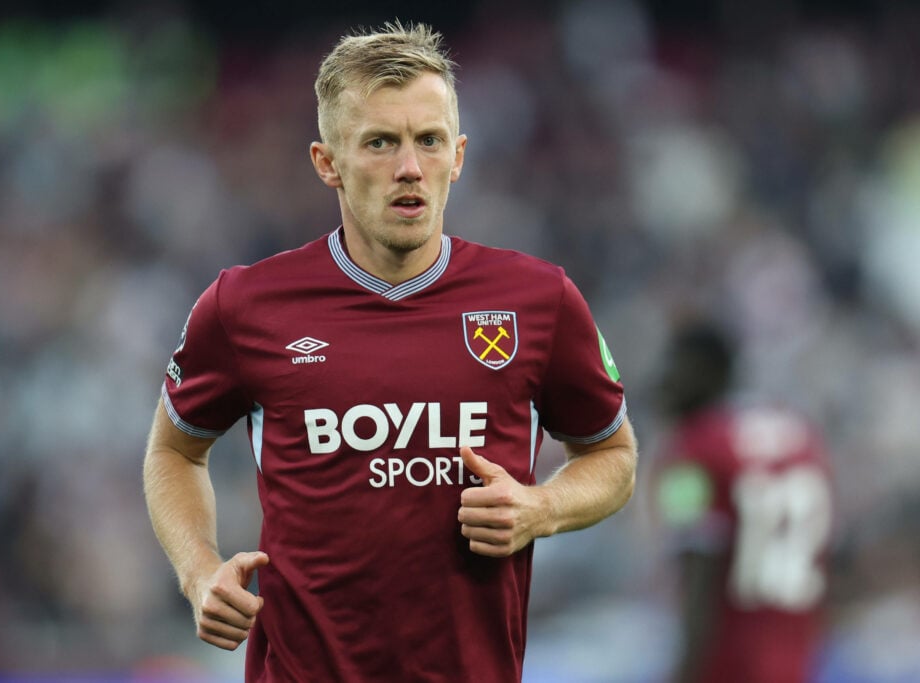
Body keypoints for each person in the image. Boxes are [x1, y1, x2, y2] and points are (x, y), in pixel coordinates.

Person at [142, 21, 638, 683]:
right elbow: (173, 450)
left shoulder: (538, 300)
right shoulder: (244, 305)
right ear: (328, 162)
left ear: (458, 156)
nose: (409, 167)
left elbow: (614, 454)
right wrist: (199, 570)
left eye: (428, 141)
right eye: (380, 142)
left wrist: (541, 507)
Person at [652, 319, 834, 683]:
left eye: (674, 366)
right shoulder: (800, 434)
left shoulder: (690, 449)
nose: (662, 381)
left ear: (705, 371)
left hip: (727, 661)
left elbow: (698, 571)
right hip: (797, 658)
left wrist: (685, 670)